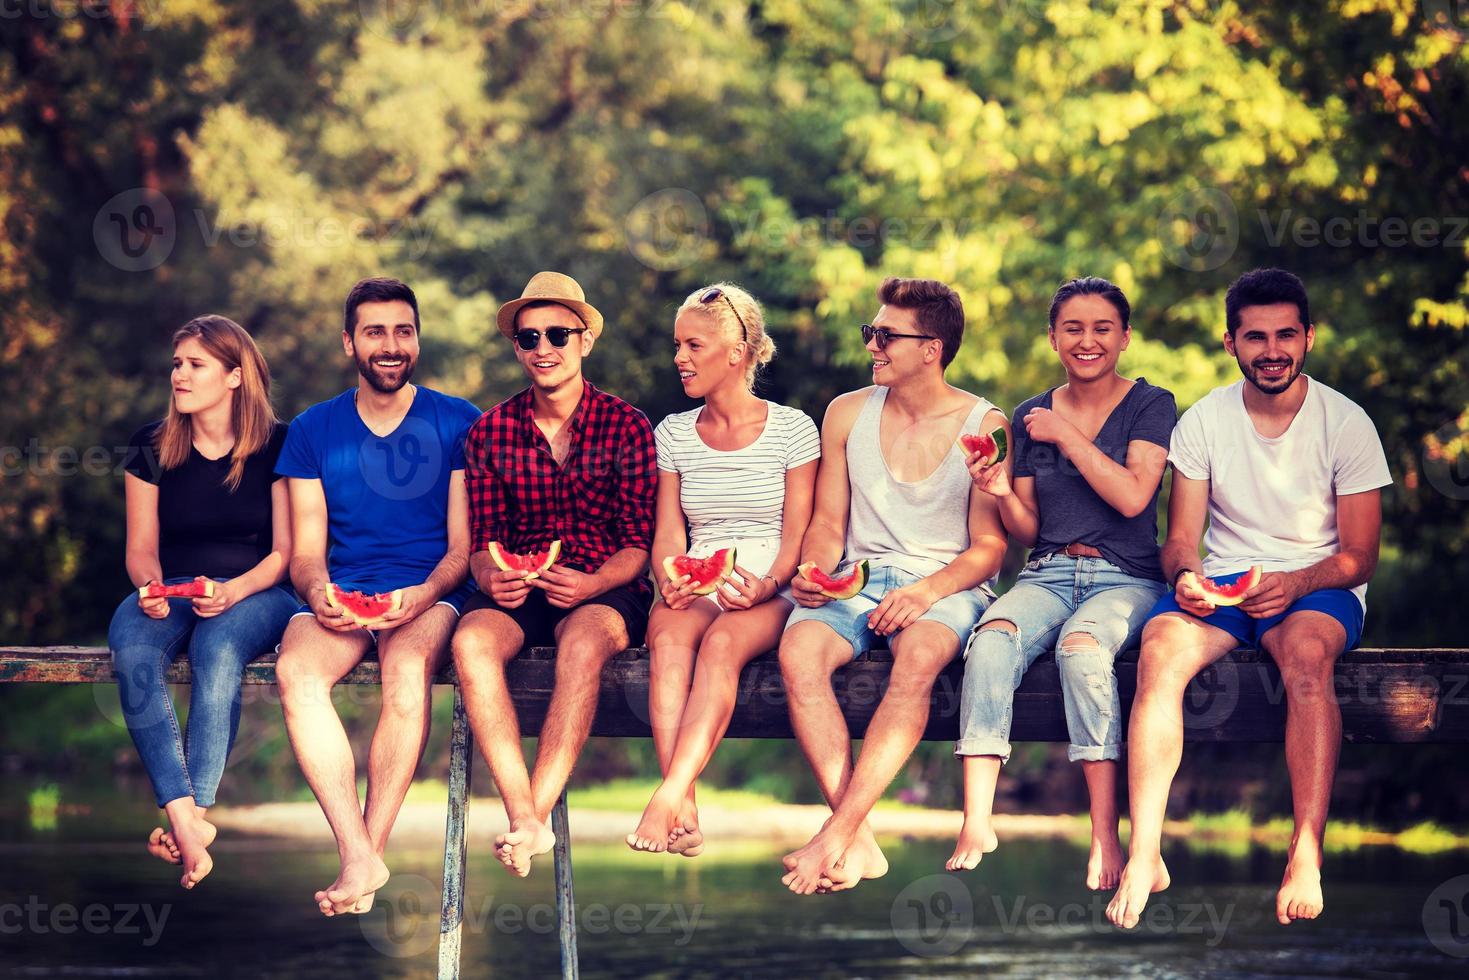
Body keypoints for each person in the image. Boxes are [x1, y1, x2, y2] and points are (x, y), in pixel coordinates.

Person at [1106, 268, 1392, 929]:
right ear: (1230, 342)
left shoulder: (1346, 423)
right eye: (1254, 337)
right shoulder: (1203, 420)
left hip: (1318, 586)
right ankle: (1144, 848)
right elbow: (1180, 539)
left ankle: (1305, 848)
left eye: (1285, 335)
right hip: (1226, 584)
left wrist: (1295, 584)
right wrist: (1183, 577)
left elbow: (1359, 556)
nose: (1271, 350)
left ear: (1308, 338)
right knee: (1158, 647)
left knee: (1305, 656)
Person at [777, 276, 1009, 894]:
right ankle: (860, 837)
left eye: (886, 335)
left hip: (946, 586)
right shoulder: (846, 412)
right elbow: (828, 522)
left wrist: (927, 592)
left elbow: (989, 548)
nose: (872, 345)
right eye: (871, 333)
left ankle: (835, 834)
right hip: (857, 579)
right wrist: (815, 571)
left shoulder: (983, 421)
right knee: (798, 654)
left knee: (921, 658)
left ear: (930, 349)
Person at [950, 278, 1176, 890]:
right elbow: (1028, 529)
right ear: (1053, 337)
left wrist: (1068, 436)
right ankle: (977, 819)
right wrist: (997, 490)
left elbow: (1133, 498)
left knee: (1082, 651)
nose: (1087, 340)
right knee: (991, 638)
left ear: (1125, 337)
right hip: (1046, 572)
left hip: (1125, 578)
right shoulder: (1028, 415)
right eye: (1072, 328)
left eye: (1103, 328)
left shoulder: (1151, 405)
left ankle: (1104, 835)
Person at [273, 277, 481, 916]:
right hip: (343, 592)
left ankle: (369, 852)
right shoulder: (312, 430)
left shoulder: (459, 422)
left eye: (403, 331)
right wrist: (318, 591)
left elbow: (463, 548)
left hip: (432, 592)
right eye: (375, 332)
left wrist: (422, 595)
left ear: (416, 339)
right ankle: (357, 852)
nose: (391, 345)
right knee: (295, 670)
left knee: (406, 668)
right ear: (349, 342)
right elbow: (306, 552)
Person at [452, 271, 657, 878]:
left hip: (606, 583)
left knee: (584, 643)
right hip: (524, 588)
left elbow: (639, 544)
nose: (543, 347)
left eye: (558, 334)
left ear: (585, 340)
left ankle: (532, 814)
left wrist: (593, 584)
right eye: (529, 336)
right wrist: (493, 579)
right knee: (470, 643)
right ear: (517, 348)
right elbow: (483, 548)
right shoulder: (490, 431)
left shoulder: (628, 426)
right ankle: (525, 816)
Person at [625, 283, 820, 856]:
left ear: (736, 352)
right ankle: (684, 808)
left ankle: (666, 797)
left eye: (694, 344)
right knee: (666, 640)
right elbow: (669, 532)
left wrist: (769, 583)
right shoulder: (673, 432)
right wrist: (669, 576)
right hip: (696, 581)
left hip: (769, 585)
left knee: (721, 647)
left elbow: (797, 537)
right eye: (677, 344)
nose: (679, 357)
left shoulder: (793, 430)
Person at [109, 315, 296, 891]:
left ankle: (198, 814)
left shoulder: (279, 443)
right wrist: (151, 588)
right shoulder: (151, 444)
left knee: (218, 646)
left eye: (195, 365)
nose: (179, 376)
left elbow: (286, 554)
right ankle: (185, 819)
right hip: (175, 587)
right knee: (133, 651)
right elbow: (140, 549)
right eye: (176, 364)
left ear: (235, 376)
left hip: (259, 590)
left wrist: (235, 591)